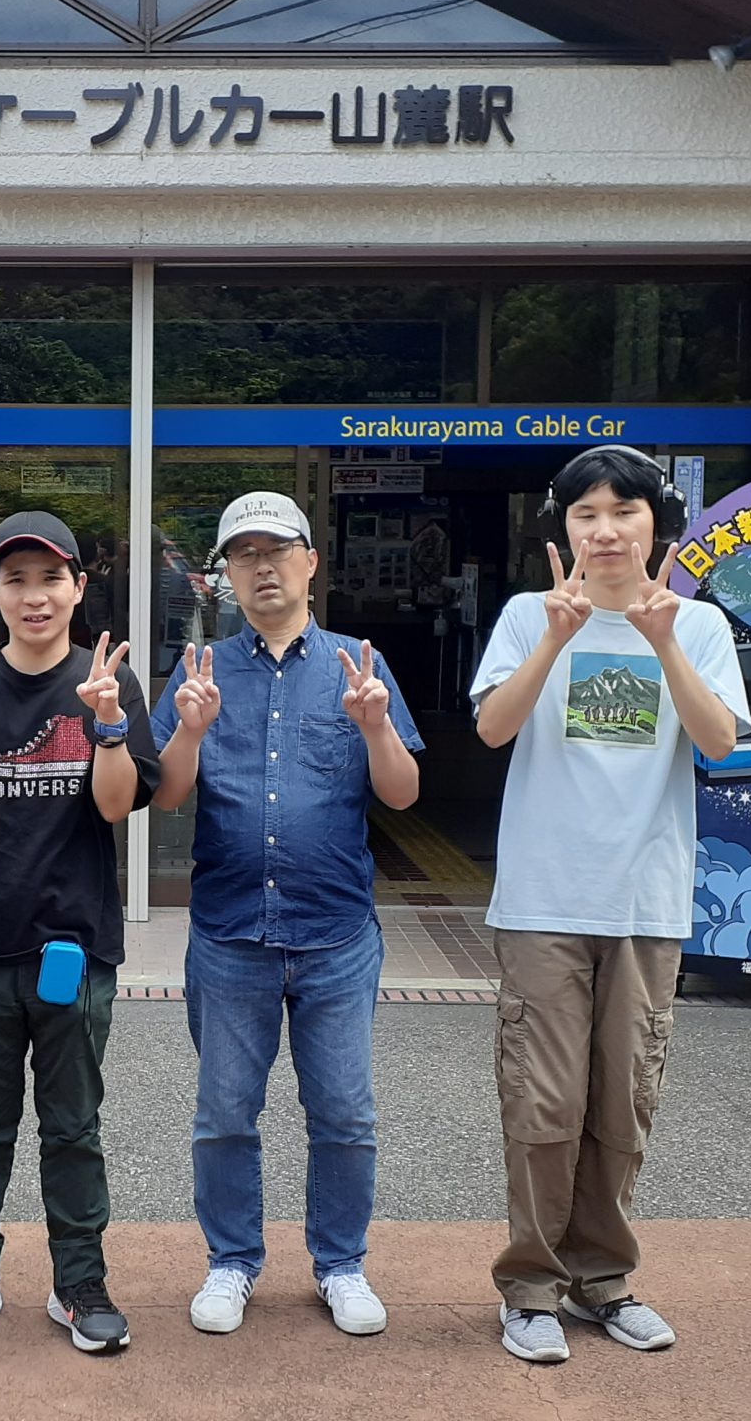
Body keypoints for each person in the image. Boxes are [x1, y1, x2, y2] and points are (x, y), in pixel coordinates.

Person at [469, 445, 748, 1364]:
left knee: (624, 1103)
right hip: (544, 900)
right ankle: (531, 1289)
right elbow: (493, 727)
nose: (606, 531)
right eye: (586, 514)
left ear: (656, 526)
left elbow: (717, 742)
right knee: (543, 1101)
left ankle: (604, 1280)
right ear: (564, 529)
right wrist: (557, 637)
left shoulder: (696, 625)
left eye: (624, 512)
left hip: (646, 901)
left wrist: (662, 641)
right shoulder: (528, 615)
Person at [151, 491, 423, 1339]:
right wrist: (189, 732)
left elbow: (403, 794)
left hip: (336, 934)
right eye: (245, 555)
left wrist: (375, 728)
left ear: (311, 563)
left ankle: (341, 1264)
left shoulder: (358, 665)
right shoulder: (201, 669)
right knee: (225, 1114)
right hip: (230, 933)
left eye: (278, 551)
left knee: (344, 1114)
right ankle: (231, 1262)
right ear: (226, 576)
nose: (262, 567)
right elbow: (165, 795)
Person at [0, 513, 162, 1357]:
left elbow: (116, 805)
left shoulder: (105, 683)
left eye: (50, 579)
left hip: (73, 953)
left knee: (72, 1128)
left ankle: (79, 1280)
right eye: (15, 580)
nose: (35, 596)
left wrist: (109, 724)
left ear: (79, 588)